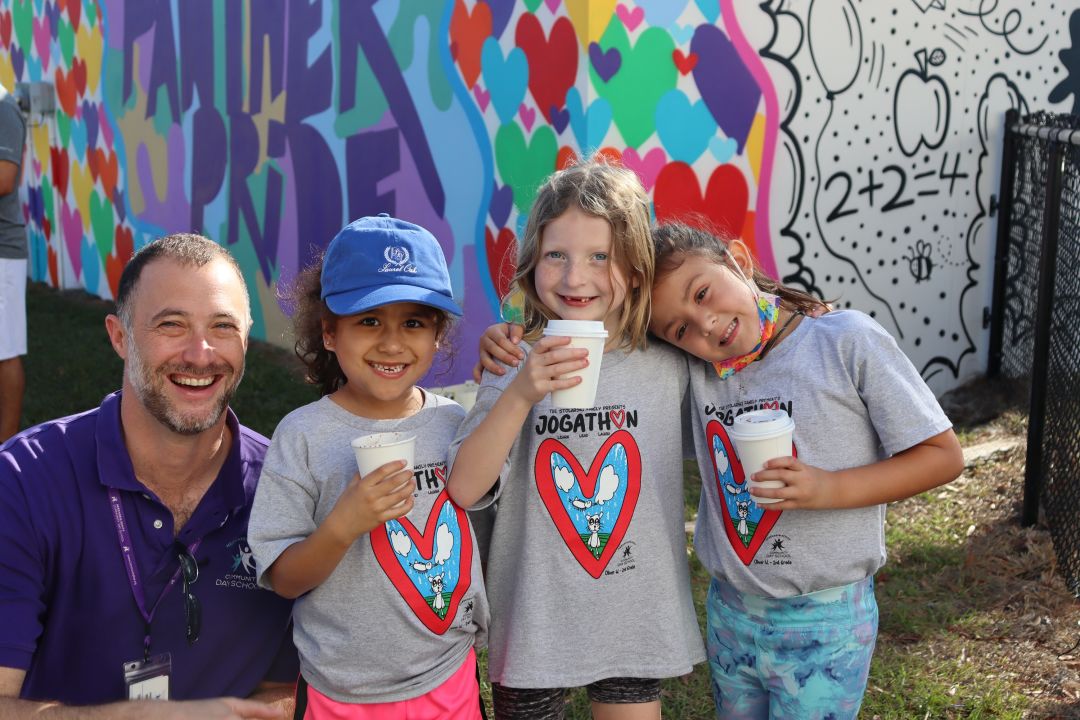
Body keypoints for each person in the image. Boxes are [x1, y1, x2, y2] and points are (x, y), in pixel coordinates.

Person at [645, 222, 964, 718]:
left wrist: (827, 487)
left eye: (703, 293)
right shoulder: (695, 375)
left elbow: (942, 455)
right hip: (731, 614)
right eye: (680, 328)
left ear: (738, 261)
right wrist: (516, 331)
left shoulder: (846, 342)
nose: (704, 324)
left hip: (827, 620)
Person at [0, 234, 298, 718]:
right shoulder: (23, 481)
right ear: (120, 337)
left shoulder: (285, 490)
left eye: (223, 327)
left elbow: (291, 686)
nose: (201, 355)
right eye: (172, 325)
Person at [447, 161, 704, 720]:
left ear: (636, 269)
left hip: (634, 613)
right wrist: (520, 392)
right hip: (535, 620)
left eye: (600, 256)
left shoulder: (671, 363)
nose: (574, 278)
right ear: (532, 263)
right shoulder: (512, 361)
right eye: (556, 255)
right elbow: (465, 489)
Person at [248, 214, 489, 719]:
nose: (392, 342)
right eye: (369, 320)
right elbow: (286, 580)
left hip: (448, 680)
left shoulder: (453, 424)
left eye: (414, 322)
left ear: (438, 334)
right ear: (329, 333)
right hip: (343, 694)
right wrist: (344, 524)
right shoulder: (303, 436)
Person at [0, 83, 27, 442]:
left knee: (4, 351)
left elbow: (5, 178)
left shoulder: (4, 107)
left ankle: (5, 449)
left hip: (2, 252)